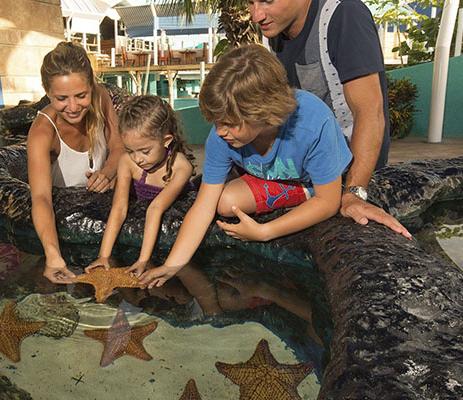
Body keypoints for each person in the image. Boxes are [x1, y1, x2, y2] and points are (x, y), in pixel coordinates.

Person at [138, 44, 351, 288]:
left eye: (228, 123)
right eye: (216, 122)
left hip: (314, 181)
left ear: (263, 113)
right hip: (272, 177)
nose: (219, 132)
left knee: (319, 195)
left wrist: (265, 231)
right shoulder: (222, 136)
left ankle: (304, 192)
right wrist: (171, 266)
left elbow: (329, 202)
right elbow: (204, 207)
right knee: (224, 202)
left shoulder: (313, 124)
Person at [248, 0, 412, 238]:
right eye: (250, 3)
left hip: (349, 170)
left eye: (267, 1)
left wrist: (353, 193)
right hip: (307, 167)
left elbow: (370, 112)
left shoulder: (343, 15)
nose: (256, 16)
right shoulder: (272, 32)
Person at [27, 42, 124, 284]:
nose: (72, 107)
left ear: (92, 86)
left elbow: (119, 146)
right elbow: (40, 197)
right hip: (64, 223)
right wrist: (52, 255)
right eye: (61, 98)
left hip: (105, 216)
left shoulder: (101, 96)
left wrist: (108, 173)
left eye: (81, 95)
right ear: (47, 93)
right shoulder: (42, 132)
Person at [84, 95, 197, 277]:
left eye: (145, 151)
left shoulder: (181, 167)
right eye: (130, 150)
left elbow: (156, 208)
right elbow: (119, 208)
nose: (137, 159)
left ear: (166, 140)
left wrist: (143, 260)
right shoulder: (127, 162)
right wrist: (104, 255)